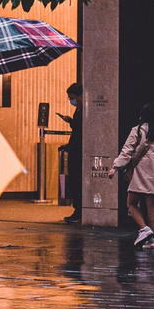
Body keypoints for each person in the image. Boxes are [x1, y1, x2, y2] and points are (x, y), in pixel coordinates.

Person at [111, 105, 154, 246]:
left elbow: (127, 150)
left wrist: (116, 167)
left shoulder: (138, 130)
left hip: (141, 172)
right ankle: (152, 238)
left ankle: (144, 229)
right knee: (152, 205)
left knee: (131, 203)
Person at [60, 83, 85, 222]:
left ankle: (79, 210)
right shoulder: (80, 109)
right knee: (74, 180)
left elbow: (80, 129)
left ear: (81, 96)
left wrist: (71, 121)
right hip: (74, 147)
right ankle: (77, 209)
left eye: (73, 98)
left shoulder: (85, 110)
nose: (71, 101)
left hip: (78, 150)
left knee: (77, 179)